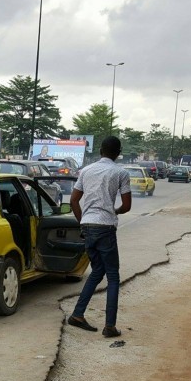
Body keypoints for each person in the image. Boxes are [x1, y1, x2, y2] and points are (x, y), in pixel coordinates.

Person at [67, 136, 132, 338]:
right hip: (105, 227)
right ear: (118, 152)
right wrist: (116, 211)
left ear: (101, 150)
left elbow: (74, 201)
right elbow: (127, 205)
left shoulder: (86, 171)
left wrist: (82, 221)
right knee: (113, 276)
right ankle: (110, 326)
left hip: (88, 226)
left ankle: (77, 315)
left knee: (97, 272)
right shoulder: (121, 172)